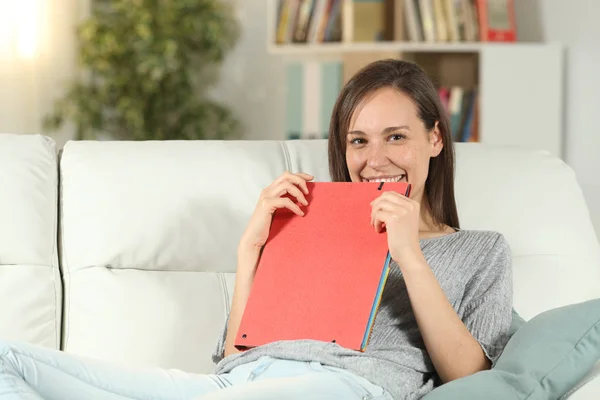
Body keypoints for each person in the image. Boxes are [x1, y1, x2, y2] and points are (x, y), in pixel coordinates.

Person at [0, 59, 513, 400]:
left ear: (435, 140)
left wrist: (409, 256)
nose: (374, 160)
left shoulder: (480, 251)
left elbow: (471, 380)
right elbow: (237, 357)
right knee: (9, 362)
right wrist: (252, 250)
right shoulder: (316, 229)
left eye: (395, 137)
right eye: (358, 142)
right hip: (240, 383)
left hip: (346, 385)